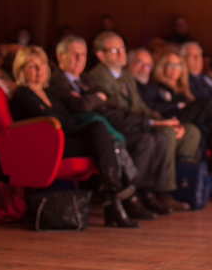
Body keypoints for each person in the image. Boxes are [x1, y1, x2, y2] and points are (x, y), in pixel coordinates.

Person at [9, 46, 139, 228]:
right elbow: (51, 121)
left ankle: (112, 191)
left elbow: (68, 121)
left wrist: (63, 121)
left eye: (42, 64)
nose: (39, 70)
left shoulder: (49, 94)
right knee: (102, 139)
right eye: (32, 66)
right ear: (21, 70)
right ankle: (114, 197)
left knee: (98, 128)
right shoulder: (22, 94)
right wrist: (62, 121)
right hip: (44, 146)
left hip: (62, 139)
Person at [48, 35, 170, 220]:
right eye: (74, 54)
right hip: (84, 134)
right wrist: (97, 98)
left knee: (156, 138)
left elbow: (112, 100)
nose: (80, 59)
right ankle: (131, 198)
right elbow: (80, 107)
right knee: (145, 140)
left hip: (106, 129)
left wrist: (93, 98)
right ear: (60, 55)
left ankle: (144, 193)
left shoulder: (86, 78)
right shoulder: (57, 81)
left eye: (83, 54)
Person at [89, 33, 200, 213]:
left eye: (123, 49)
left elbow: (140, 106)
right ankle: (156, 192)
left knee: (190, 131)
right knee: (159, 137)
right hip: (121, 127)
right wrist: (160, 125)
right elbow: (118, 115)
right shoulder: (97, 77)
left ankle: (175, 188)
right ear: (101, 55)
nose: (121, 54)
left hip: (139, 122)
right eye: (115, 50)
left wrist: (166, 121)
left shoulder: (126, 74)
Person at [132, 48, 212, 203]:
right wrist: (180, 106)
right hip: (166, 120)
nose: (175, 70)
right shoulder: (153, 86)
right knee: (209, 104)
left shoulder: (184, 90)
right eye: (171, 65)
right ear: (162, 66)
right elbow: (150, 109)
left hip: (185, 123)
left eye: (178, 66)